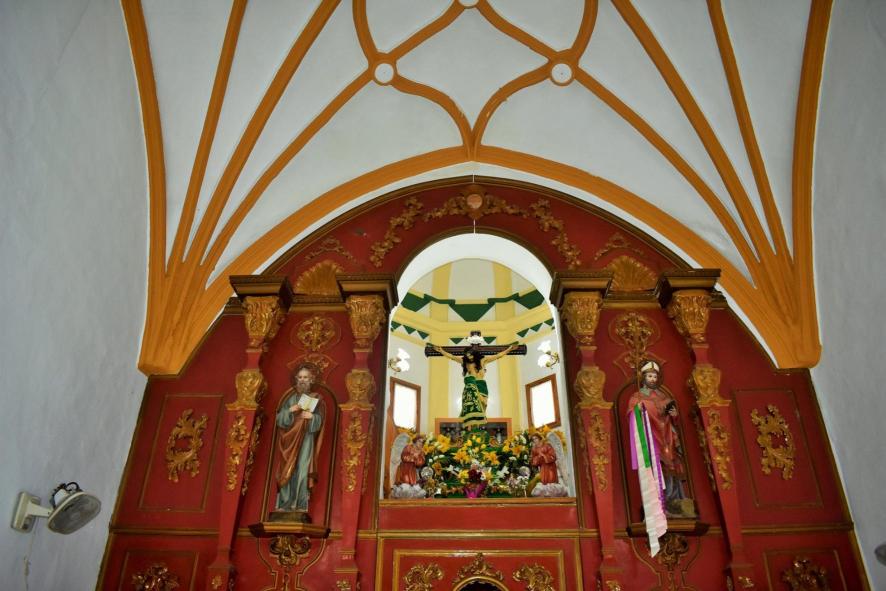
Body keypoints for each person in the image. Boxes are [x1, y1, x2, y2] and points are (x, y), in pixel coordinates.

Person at [627, 360, 688, 513]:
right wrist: (638, 411)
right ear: (643, 377)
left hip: (667, 437)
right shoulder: (637, 397)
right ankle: (659, 502)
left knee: (671, 467)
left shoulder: (663, 396)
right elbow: (631, 416)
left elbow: (674, 419)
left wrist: (674, 415)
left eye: (655, 376)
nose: (653, 379)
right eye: (650, 376)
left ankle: (674, 500)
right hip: (651, 438)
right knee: (656, 468)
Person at [432, 338, 517, 430]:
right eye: (467, 355)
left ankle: (478, 429)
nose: (469, 357)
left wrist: (509, 349)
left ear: (474, 354)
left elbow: (497, 356)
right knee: (471, 408)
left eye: (470, 354)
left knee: (483, 406)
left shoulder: (482, 361)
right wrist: (441, 350)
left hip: (481, 385)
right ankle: (471, 430)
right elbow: (452, 356)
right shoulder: (464, 362)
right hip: (471, 386)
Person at [275, 363, 325, 514]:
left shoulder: (316, 399)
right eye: (300, 377)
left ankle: (300, 504)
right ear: (297, 379)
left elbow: (320, 422)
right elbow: (280, 420)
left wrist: (312, 417)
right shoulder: (290, 400)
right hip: (289, 441)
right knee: (286, 470)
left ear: (311, 380)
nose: (302, 380)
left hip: (306, 439)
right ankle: (284, 503)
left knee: (303, 470)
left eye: (306, 377)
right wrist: (291, 410)